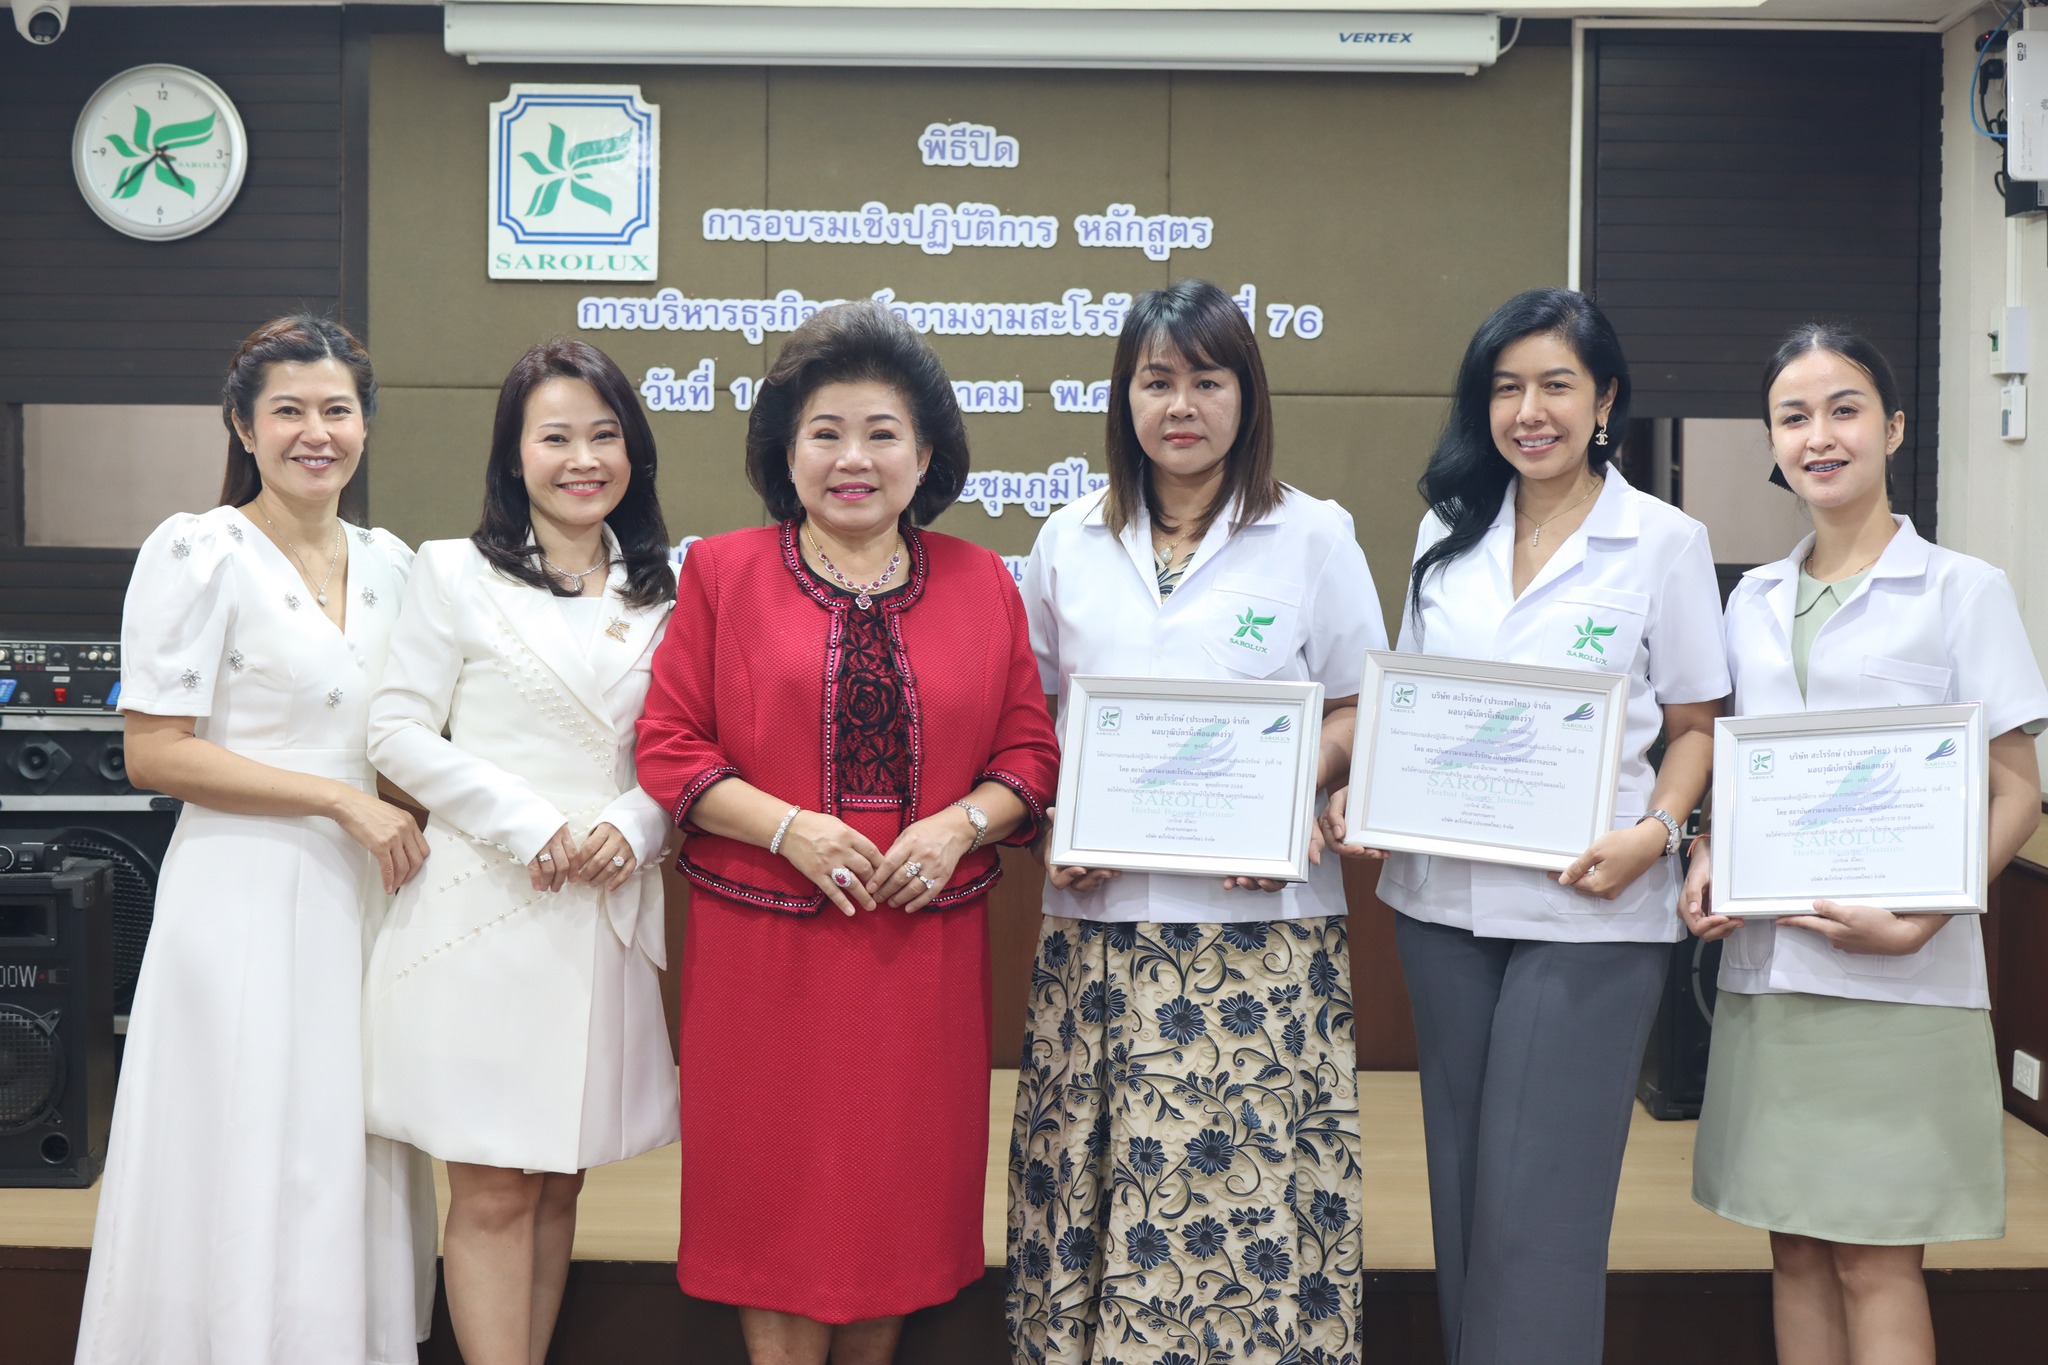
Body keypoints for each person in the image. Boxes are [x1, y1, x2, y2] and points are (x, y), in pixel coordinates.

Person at [633, 300, 1060, 1365]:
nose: (853, 458)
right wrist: (790, 829)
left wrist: (960, 826)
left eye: (881, 433)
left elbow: (1028, 754)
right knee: (769, 1199)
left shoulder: (983, 582)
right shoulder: (722, 573)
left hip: (919, 951)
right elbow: (670, 747)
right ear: (787, 454)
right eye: (825, 432)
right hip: (764, 951)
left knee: (894, 1201)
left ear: (927, 455)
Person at [1324, 287, 1730, 1365]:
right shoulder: (1447, 531)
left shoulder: (1663, 541)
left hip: (1587, 906)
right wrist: (1365, 791)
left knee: (1538, 1204)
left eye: (1555, 385)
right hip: (1440, 906)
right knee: (1463, 1191)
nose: (1528, 411)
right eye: (1505, 388)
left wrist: (1656, 832)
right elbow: (1412, 706)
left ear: (1605, 400)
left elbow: (1695, 727)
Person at [1006, 278, 1385, 1365]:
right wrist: (1054, 824)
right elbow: (1033, 722)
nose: (1181, 405)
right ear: (1123, 397)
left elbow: (1360, 707)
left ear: (1245, 395)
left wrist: (1290, 784)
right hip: (1099, 934)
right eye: (1156, 380)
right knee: (1094, 1196)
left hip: (1259, 939)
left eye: (1207, 381)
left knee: (1241, 1208)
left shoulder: (1312, 535)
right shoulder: (1067, 539)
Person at [1683, 325, 2046, 1365]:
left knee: (1875, 1259)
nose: (1819, 436)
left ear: (1890, 428)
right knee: (1794, 1248)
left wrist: (1917, 920)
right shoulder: (1750, 599)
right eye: (1793, 417)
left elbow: (2017, 791)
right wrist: (1706, 851)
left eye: (1843, 410)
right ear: (1771, 441)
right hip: (1771, 978)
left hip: (1904, 983)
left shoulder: (1961, 588)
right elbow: (1741, 773)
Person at [75, 315, 433, 1365]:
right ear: (242, 425)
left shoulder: (395, 563)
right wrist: (338, 801)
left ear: (365, 424)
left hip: (364, 898)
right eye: (289, 411)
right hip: (240, 894)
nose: (316, 433)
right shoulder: (199, 551)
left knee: (343, 1136)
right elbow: (155, 753)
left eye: (337, 410)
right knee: (238, 1128)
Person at [362, 338, 681, 1365]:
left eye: (604, 435)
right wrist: (528, 821)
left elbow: (690, 748)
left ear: (633, 451)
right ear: (513, 455)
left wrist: (635, 823)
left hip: (603, 909)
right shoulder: (452, 572)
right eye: (555, 437)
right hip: (488, 908)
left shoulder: (669, 588)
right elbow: (395, 730)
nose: (582, 458)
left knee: (560, 1180)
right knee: (497, 1182)